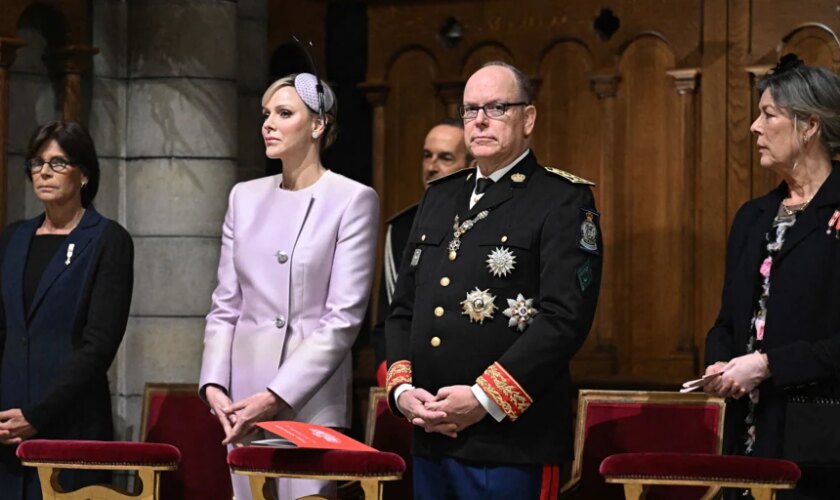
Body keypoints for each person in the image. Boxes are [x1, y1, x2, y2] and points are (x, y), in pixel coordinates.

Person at [384, 61, 602, 499]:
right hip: (430, 433)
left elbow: (564, 319)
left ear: (528, 118)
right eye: (470, 110)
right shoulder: (440, 197)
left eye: (497, 107)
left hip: (510, 441)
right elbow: (404, 308)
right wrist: (403, 390)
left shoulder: (561, 199)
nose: (479, 120)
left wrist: (483, 399)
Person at [199, 73, 379, 500]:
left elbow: (343, 318)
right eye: (266, 114)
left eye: (283, 113)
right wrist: (213, 386)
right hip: (241, 403)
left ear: (318, 125)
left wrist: (276, 395)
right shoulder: (244, 196)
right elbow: (225, 304)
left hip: (307, 398)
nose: (268, 124)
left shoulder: (352, 199)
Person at [703, 55, 840, 499]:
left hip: (818, 440)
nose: (754, 128)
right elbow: (728, 319)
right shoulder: (752, 217)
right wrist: (719, 362)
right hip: (745, 433)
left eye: (769, 115)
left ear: (809, 126)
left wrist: (768, 365)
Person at [0, 121, 134, 499]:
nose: (44, 172)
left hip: (70, 421)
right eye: (37, 163)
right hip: (7, 424)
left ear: (85, 174)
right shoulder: (13, 237)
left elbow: (98, 345)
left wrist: (38, 415)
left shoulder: (107, 240)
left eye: (58, 163)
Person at [372, 118, 474, 379]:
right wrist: (396, 376)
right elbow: (392, 316)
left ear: (471, 166)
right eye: (427, 156)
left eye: (445, 158)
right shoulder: (403, 227)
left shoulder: (489, 222)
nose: (431, 167)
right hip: (414, 376)